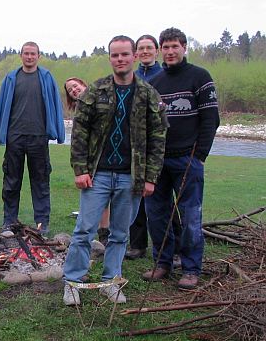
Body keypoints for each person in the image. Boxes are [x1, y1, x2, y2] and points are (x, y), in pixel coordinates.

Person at [62, 35, 167, 306]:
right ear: (110, 58)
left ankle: (111, 282)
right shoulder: (96, 91)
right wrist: (80, 170)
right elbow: (80, 133)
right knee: (84, 231)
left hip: (130, 176)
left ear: (134, 56)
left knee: (120, 234)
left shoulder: (148, 94)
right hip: (97, 174)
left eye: (124, 54)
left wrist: (150, 177)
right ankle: (72, 282)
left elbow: (157, 138)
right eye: (115, 55)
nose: (120, 59)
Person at [143, 27, 220, 289]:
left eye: (175, 46)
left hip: (188, 159)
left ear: (184, 47)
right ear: (160, 51)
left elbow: (211, 119)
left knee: (190, 216)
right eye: (165, 47)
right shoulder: (155, 83)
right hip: (157, 161)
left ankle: (191, 268)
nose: (170, 51)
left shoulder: (200, 77)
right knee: (157, 215)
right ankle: (162, 263)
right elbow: (146, 123)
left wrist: (200, 156)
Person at [0, 42, 65, 234]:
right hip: (15, 137)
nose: (29, 57)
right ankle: (9, 221)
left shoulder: (46, 78)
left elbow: (55, 105)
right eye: (26, 53)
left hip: (39, 137)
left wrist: (57, 131)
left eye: (33, 54)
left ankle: (42, 223)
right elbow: (2, 107)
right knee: (11, 182)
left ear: (39, 56)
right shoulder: (11, 78)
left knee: (41, 182)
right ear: (21, 55)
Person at [125, 35, 163, 260]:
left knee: (160, 200)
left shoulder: (164, 76)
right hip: (134, 147)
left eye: (150, 47)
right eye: (141, 48)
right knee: (135, 198)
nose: (146, 51)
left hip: (157, 144)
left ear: (156, 51)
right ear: (136, 53)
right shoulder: (132, 77)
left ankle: (167, 247)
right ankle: (137, 245)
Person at [65, 77, 110, 245]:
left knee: (108, 197)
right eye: (70, 90)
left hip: (106, 157)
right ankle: (96, 233)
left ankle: (106, 233)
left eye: (75, 86)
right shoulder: (79, 110)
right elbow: (78, 140)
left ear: (83, 84)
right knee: (94, 197)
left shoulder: (102, 100)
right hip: (89, 161)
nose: (74, 90)